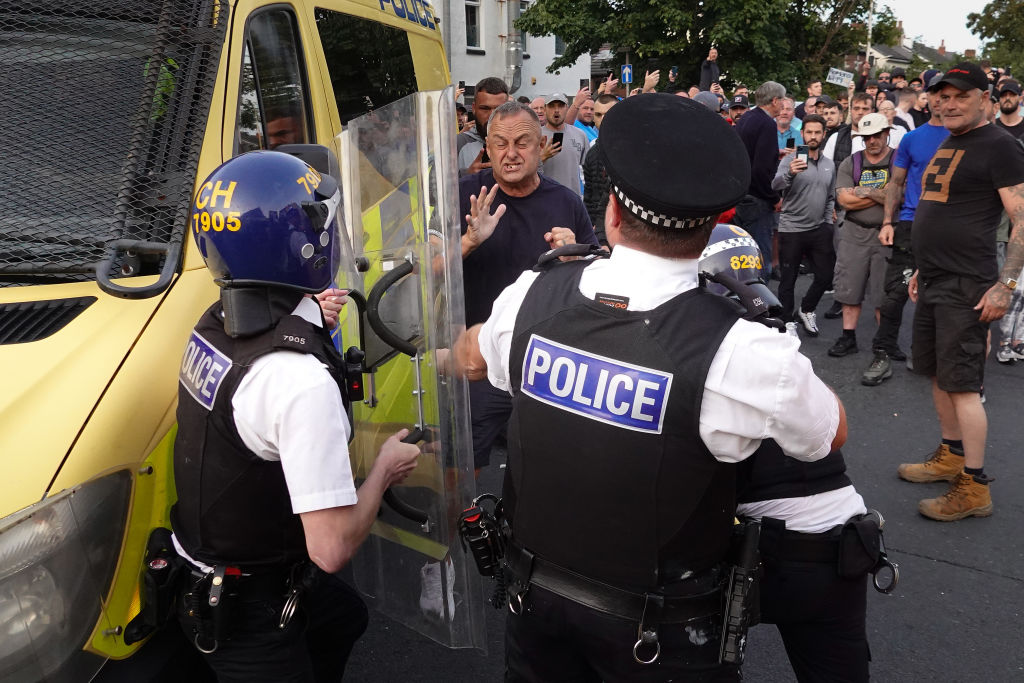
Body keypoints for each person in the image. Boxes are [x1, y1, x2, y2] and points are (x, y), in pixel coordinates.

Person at [454, 93, 847, 682]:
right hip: (658, 635)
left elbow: (470, 356)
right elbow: (827, 433)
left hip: (536, 605)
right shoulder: (743, 348)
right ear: (713, 228)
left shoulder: (531, 295)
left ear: (612, 213)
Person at [171, 150, 421, 680]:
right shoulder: (299, 381)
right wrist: (384, 469)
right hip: (250, 607)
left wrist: (310, 316)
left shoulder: (214, 323)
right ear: (301, 245)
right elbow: (331, 550)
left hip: (205, 565)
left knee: (343, 619)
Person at [897, 62, 1024, 520]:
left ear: (985, 98)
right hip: (934, 277)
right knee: (937, 374)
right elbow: (946, 211)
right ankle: (951, 456)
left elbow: (1022, 219)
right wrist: (921, 267)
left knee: (964, 385)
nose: (948, 104)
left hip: (968, 284)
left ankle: (974, 486)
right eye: (942, 96)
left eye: (960, 96)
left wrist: (1005, 285)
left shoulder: (1001, 146)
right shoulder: (951, 140)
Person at [460, 100, 598, 470]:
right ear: (488, 149)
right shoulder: (465, 195)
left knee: (547, 464)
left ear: (541, 146)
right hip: (480, 358)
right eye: (500, 144)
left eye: (522, 143)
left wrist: (575, 257)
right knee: (465, 463)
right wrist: (469, 241)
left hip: (546, 364)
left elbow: (597, 276)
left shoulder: (566, 201)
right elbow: (429, 271)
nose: (511, 154)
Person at [863, 76, 950, 386]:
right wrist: (888, 221)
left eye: (946, 95)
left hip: (951, 229)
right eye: (935, 94)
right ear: (927, 98)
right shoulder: (912, 139)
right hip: (911, 224)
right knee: (895, 294)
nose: (940, 100)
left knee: (943, 296)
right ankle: (882, 353)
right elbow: (896, 183)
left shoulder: (968, 138)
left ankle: (930, 355)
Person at [829, 113, 895, 358]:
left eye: (876, 135)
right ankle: (848, 337)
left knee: (883, 292)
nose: (872, 141)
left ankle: (884, 342)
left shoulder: (898, 160)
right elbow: (844, 201)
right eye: (866, 137)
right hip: (854, 232)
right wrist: (882, 194)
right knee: (849, 287)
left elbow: (900, 197)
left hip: (887, 234)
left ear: (886, 133)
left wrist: (863, 190)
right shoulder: (851, 162)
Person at [772, 115, 836, 334]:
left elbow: (830, 196)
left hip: (819, 229)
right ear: (802, 134)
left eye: (817, 132)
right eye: (809, 132)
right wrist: (791, 172)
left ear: (824, 134)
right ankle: (787, 320)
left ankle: (807, 309)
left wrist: (827, 223)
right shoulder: (790, 160)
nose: (813, 136)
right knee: (788, 279)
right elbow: (775, 185)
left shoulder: (829, 164)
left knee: (826, 276)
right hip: (792, 229)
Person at [735, 81, 787, 274]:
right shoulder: (767, 124)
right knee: (759, 259)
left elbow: (747, 153)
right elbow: (760, 170)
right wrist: (774, 198)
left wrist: (774, 154)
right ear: (774, 101)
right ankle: (758, 294)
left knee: (743, 256)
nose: (783, 104)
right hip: (757, 200)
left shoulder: (747, 118)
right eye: (782, 100)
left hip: (741, 196)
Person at [583, 94, 620, 243]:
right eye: (598, 115)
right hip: (598, 232)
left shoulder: (631, 150)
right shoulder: (592, 153)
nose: (603, 119)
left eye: (608, 114)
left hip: (626, 231)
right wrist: (591, 227)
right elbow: (589, 196)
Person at [457, 76, 509, 176]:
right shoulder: (456, 144)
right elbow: (436, 183)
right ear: (474, 108)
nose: (492, 116)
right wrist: (468, 177)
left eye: (499, 109)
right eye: (485, 108)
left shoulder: (521, 143)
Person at [540, 92, 589, 196]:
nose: (556, 110)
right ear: (544, 109)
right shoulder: (535, 136)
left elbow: (589, 171)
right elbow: (525, 172)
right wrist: (542, 157)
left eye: (561, 106)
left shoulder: (580, 135)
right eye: (552, 106)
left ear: (567, 108)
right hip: (545, 200)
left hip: (573, 200)